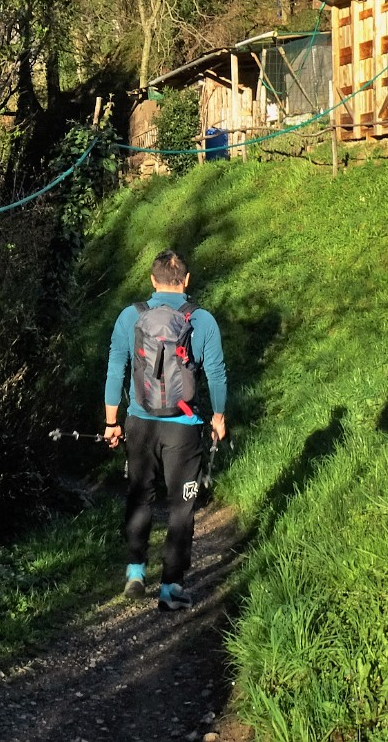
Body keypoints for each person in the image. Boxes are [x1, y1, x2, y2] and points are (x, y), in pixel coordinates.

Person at [103, 249, 227, 611]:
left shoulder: (131, 317)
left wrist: (112, 422)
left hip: (140, 423)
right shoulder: (202, 321)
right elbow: (216, 374)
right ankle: (171, 587)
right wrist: (219, 417)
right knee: (181, 506)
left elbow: (116, 370)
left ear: (152, 280)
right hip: (183, 428)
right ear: (186, 281)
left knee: (140, 495)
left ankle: (136, 571)